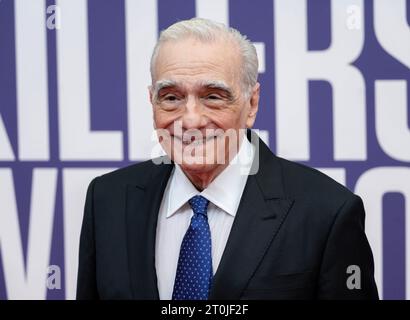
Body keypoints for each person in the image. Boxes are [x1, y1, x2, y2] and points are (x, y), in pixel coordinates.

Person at [77, 18, 378, 300]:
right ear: (151, 101)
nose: (191, 120)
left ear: (252, 104)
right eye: (171, 97)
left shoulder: (327, 212)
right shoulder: (106, 200)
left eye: (213, 96)